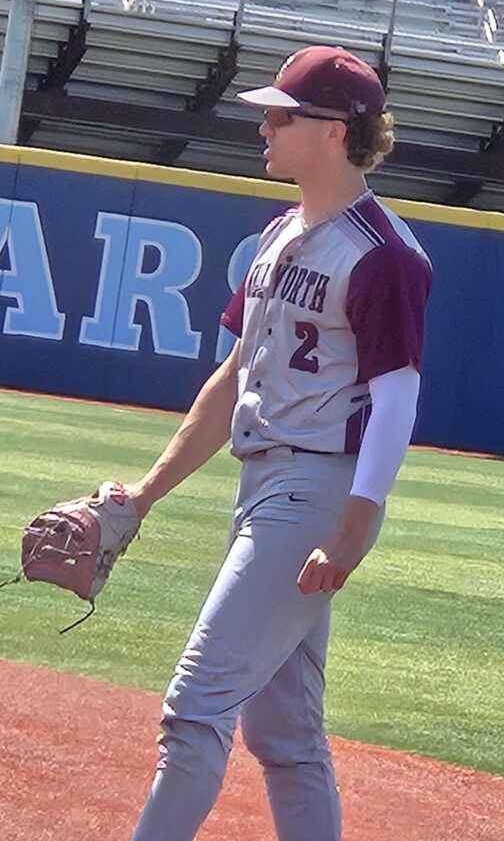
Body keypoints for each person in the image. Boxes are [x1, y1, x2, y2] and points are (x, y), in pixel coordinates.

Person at [126, 45, 432, 841]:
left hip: (314, 494)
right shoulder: (278, 233)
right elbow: (232, 377)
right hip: (264, 484)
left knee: (197, 706)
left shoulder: (383, 253)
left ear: (336, 132)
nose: (263, 125)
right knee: (284, 733)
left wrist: (356, 523)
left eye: (281, 114)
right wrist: (144, 496)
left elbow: (398, 394)